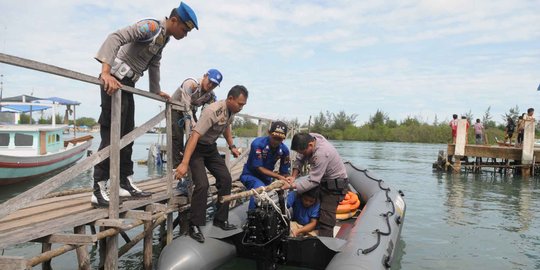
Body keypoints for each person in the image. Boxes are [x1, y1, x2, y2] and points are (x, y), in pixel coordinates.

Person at [91, 2, 199, 207]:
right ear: (174, 20)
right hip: (114, 80)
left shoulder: (163, 38)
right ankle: (98, 187)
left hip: (128, 85)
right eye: (184, 29)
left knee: (128, 135)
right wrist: (105, 73)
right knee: (111, 135)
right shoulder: (151, 27)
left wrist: (155, 90)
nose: (185, 34)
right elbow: (115, 37)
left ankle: (124, 182)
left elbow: (155, 62)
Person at [175, 85, 248, 243]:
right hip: (196, 149)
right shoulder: (212, 111)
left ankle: (220, 220)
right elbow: (194, 136)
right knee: (202, 185)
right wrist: (184, 163)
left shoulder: (231, 111)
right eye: (240, 104)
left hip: (210, 148)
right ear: (230, 99)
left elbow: (226, 126)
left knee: (226, 179)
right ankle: (194, 225)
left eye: (243, 105)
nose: (241, 108)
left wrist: (232, 146)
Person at [282, 133, 348, 237]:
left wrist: (291, 186)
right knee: (302, 196)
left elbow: (314, 180)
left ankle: (325, 247)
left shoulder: (322, 153)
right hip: (322, 179)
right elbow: (299, 159)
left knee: (326, 219)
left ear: (311, 145)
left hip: (334, 186)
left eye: (303, 152)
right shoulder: (308, 137)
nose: (302, 154)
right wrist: (293, 177)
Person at [171, 69, 223, 194]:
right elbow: (186, 105)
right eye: (210, 82)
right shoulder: (191, 84)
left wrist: (202, 125)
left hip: (191, 111)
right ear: (205, 76)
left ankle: (189, 176)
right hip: (176, 109)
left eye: (214, 84)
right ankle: (178, 173)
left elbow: (210, 110)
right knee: (176, 139)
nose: (211, 86)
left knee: (195, 139)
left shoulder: (210, 95)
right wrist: (193, 124)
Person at [240, 121, 291, 209]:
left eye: (279, 139)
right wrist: (278, 176)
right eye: (274, 137)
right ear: (269, 133)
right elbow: (259, 167)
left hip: (266, 180)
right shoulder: (258, 144)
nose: (276, 141)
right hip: (250, 175)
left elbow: (284, 171)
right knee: (259, 189)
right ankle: (252, 218)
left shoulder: (284, 150)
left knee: (275, 194)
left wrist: (285, 181)